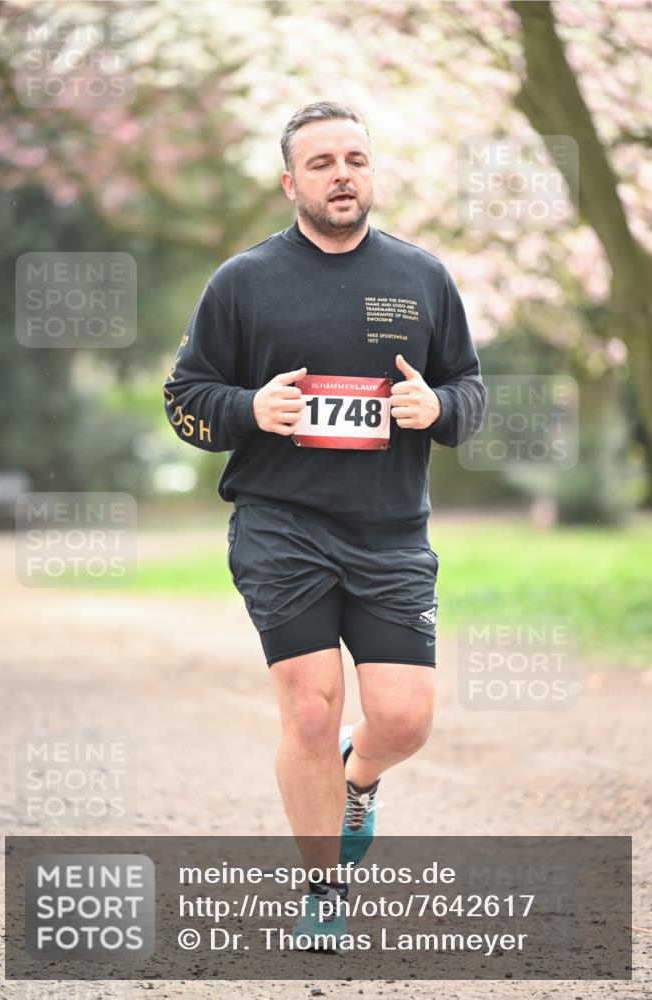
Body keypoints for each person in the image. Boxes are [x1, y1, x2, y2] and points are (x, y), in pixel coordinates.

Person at [163, 101, 486, 953]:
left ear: (372, 172)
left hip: (388, 531)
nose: (341, 174)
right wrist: (249, 406)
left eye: (354, 159)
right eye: (321, 163)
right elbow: (184, 400)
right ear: (289, 182)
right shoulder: (242, 281)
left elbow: (471, 391)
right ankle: (322, 889)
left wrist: (440, 406)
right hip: (282, 526)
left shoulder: (422, 277)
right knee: (308, 711)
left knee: (406, 718)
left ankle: (359, 775)